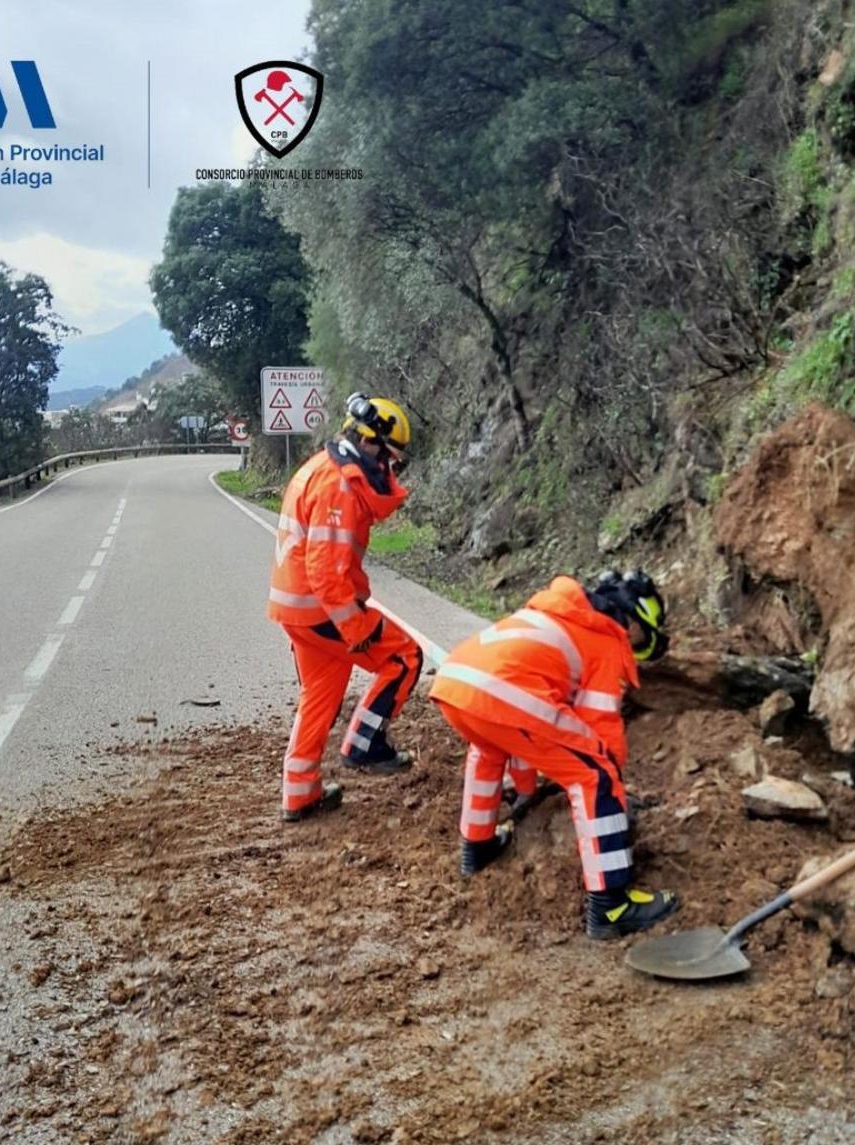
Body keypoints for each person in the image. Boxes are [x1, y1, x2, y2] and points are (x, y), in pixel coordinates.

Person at [429, 569, 680, 940]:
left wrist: (533, 784)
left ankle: (477, 847)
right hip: (504, 693)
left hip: (455, 683)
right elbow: (601, 729)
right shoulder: (605, 638)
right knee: (596, 774)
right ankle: (611, 906)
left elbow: (535, 732)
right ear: (632, 622)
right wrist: (612, 794)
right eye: (643, 634)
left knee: (489, 748)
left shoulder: (561, 612)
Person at [268, 393, 424, 822]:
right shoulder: (338, 485)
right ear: (371, 444)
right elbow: (325, 572)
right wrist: (358, 629)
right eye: (391, 459)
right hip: (322, 610)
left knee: (320, 698)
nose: (392, 470)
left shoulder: (324, 468)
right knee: (405, 657)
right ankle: (365, 744)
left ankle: (299, 794)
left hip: (299, 611)